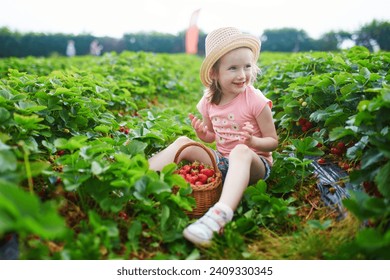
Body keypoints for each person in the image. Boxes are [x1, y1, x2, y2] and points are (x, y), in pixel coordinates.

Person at [148, 27, 278, 246]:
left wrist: (253, 142)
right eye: (233, 68)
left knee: (240, 151)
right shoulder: (209, 100)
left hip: (255, 164)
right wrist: (203, 134)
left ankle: (219, 216)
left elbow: (273, 141)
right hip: (223, 162)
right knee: (183, 142)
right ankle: (140, 179)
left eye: (247, 66)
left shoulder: (255, 100)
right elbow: (211, 137)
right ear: (215, 73)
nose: (242, 75)